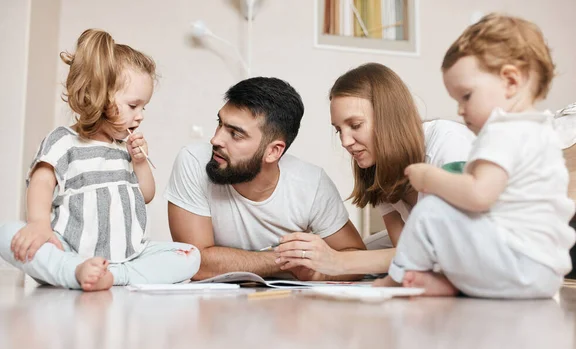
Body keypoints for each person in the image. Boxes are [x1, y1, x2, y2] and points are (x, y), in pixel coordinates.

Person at [374, 13, 576, 297]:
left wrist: (430, 177)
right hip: (544, 272)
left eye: (466, 96)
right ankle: (449, 285)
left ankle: (396, 278)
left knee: (431, 211)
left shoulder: (503, 130)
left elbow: (480, 195)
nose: (460, 110)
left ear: (510, 82)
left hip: (517, 262)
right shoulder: (541, 130)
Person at [0, 29, 200, 291]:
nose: (140, 116)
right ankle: (72, 270)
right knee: (7, 234)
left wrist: (140, 162)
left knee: (190, 256)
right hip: (69, 249)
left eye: (144, 108)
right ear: (100, 96)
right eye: (133, 106)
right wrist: (39, 224)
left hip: (128, 254)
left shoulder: (124, 149)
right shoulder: (64, 141)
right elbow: (41, 182)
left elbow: (147, 195)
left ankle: (114, 275)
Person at [275, 63, 474, 276]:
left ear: (388, 116)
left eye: (356, 125)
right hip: (428, 249)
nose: (345, 141)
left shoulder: (449, 143)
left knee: (357, 259)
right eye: (338, 130)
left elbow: (447, 249)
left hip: (471, 247)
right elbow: (405, 256)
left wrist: (338, 261)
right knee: (365, 256)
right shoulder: (377, 166)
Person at [165, 77, 365, 281]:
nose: (215, 140)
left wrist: (318, 272)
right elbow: (195, 263)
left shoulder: (311, 184)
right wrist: (287, 261)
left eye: (235, 134)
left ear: (273, 152)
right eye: (220, 124)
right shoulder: (193, 162)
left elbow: (356, 260)